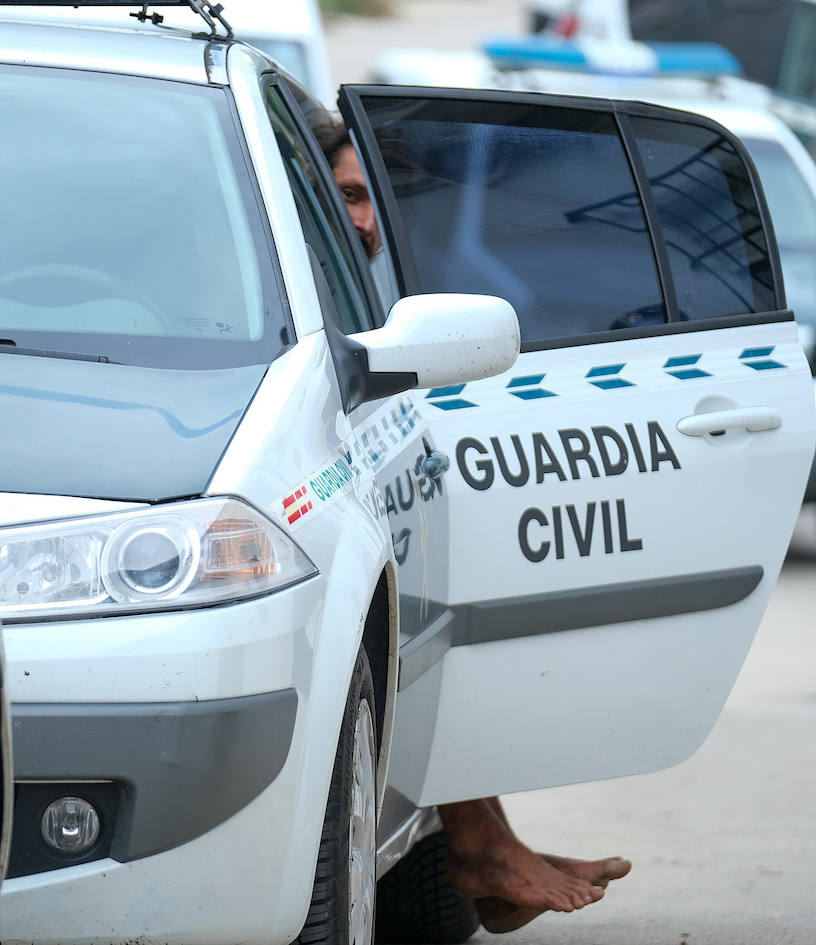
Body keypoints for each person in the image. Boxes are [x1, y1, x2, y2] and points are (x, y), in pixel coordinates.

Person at [311, 113, 632, 933]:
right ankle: (485, 849)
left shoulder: (354, 281)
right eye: (346, 194)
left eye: (374, 199)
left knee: (445, 626)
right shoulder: (287, 274)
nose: (365, 220)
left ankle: (488, 845)